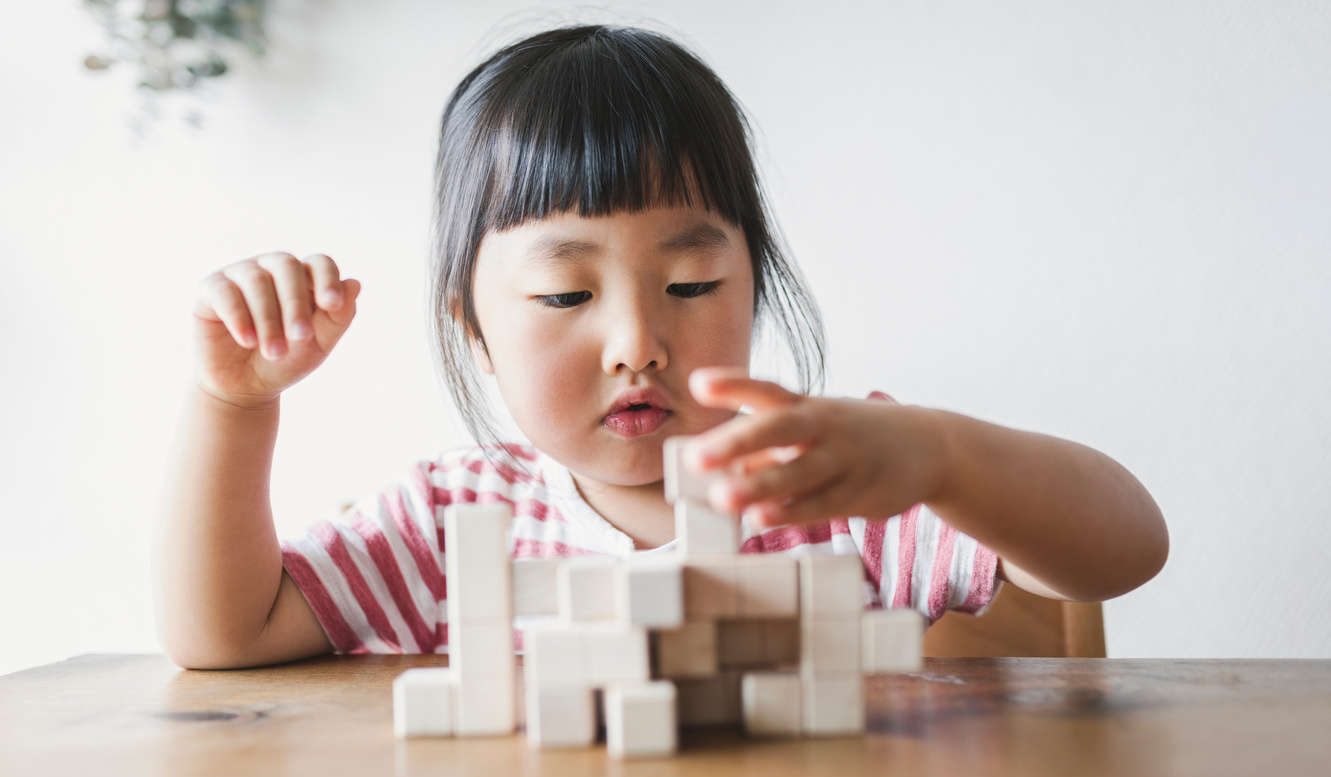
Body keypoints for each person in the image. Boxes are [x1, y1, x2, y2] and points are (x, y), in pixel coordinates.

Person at [154, 25, 1168, 669]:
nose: (638, 342)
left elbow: (1123, 550)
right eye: (563, 292)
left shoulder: (835, 480)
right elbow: (224, 636)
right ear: (472, 323)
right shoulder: (453, 522)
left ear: (753, 285)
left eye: (689, 284)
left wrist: (944, 455)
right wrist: (234, 406)